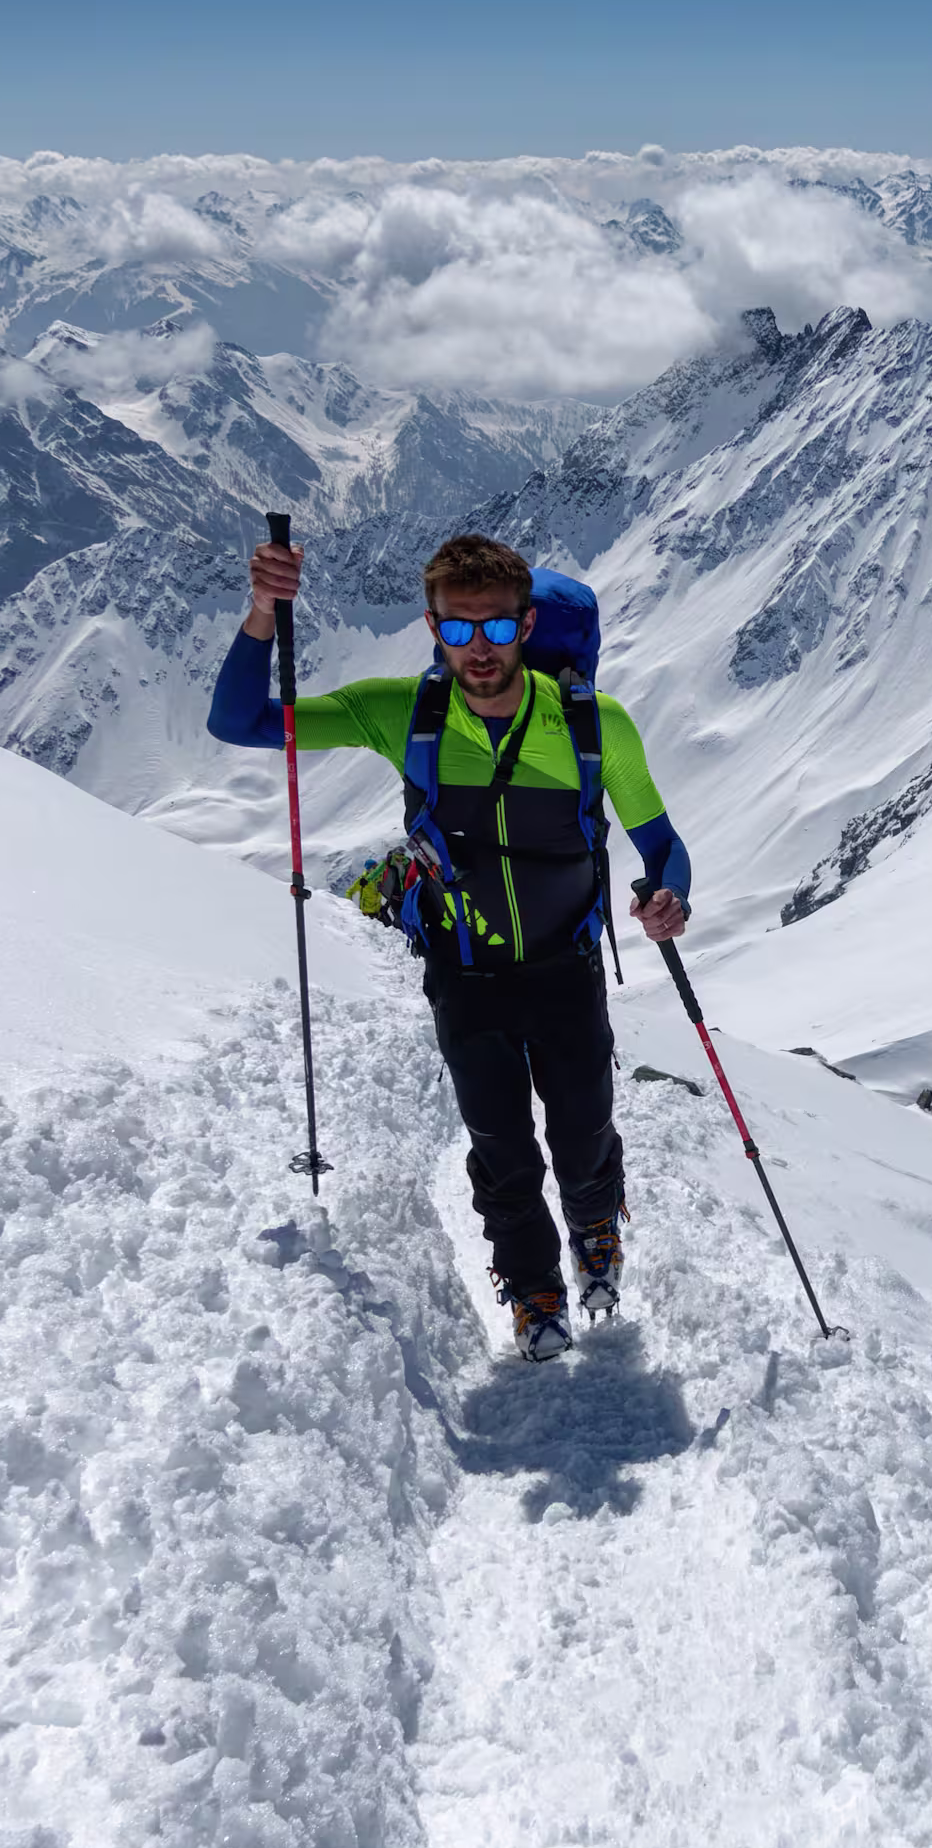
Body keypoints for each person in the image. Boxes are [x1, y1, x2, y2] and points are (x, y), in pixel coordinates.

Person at [206, 532, 691, 1363]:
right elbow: (239, 722)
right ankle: (534, 1287)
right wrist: (261, 612)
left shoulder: (592, 723)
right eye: (459, 627)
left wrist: (668, 896)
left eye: (497, 626)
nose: (479, 647)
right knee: (500, 1146)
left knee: (584, 1134)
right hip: (465, 974)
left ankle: (594, 1229)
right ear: (433, 627)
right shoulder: (405, 713)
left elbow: (661, 843)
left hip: (566, 970)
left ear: (526, 624)